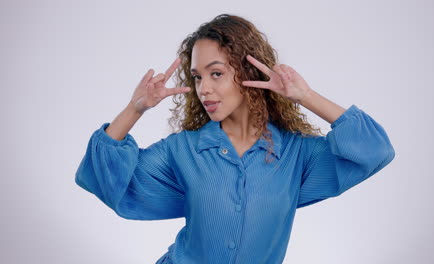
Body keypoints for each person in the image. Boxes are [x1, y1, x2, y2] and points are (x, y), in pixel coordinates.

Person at [75, 14, 395, 264]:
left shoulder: (297, 155)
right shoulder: (183, 151)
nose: (204, 89)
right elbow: (104, 181)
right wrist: (135, 108)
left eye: (216, 74)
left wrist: (306, 96)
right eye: (197, 77)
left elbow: (374, 151)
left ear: (248, 73)